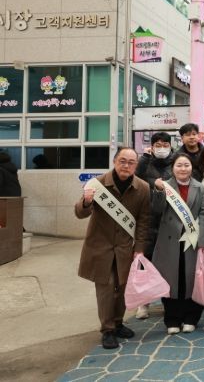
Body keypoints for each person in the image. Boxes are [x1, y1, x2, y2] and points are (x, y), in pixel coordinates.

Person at [74, 148, 150, 349]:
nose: (126, 166)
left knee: (123, 287)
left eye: (131, 162)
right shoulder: (97, 184)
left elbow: (143, 221)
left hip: (125, 248)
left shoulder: (143, 188)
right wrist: (87, 201)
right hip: (100, 247)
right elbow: (79, 213)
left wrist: (139, 247)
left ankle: (118, 323)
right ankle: (107, 329)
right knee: (106, 288)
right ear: (115, 161)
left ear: (136, 165)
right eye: (122, 161)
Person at [150, 154, 204, 334]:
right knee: (171, 279)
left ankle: (191, 317)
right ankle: (172, 319)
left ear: (192, 167)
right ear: (173, 168)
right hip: (169, 240)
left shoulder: (200, 187)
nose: (183, 168)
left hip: (192, 240)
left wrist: (203, 241)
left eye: (186, 165)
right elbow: (156, 210)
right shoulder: (164, 186)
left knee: (192, 279)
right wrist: (158, 191)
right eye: (179, 165)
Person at [134, 131, 175, 320]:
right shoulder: (145, 162)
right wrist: (154, 181)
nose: (162, 148)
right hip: (148, 218)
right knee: (146, 262)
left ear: (170, 146)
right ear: (152, 146)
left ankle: (168, 302)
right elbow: (136, 178)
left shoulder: (176, 162)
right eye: (158, 145)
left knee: (168, 264)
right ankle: (143, 303)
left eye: (165, 144)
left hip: (170, 218)